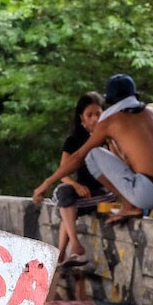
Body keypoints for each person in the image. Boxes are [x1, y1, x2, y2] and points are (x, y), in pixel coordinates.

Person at [32, 74, 153, 226]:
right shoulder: (152, 112)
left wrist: (47, 183)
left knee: (92, 154)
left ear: (109, 100)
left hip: (147, 194)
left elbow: (79, 156)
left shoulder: (110, 120)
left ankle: (129, 206)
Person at [50, 92, 115, 268]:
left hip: (102, 195)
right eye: (89, 115)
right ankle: (71, 248)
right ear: (82, 118)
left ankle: (64, 252)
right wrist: (76, 185)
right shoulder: (73, 140)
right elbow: (63, 173)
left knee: (66, 207)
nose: (95, 119)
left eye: (98, 114)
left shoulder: (110, 138)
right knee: (64, 194)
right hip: (79, 194)